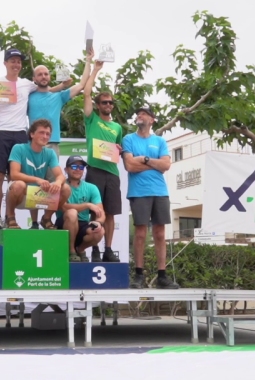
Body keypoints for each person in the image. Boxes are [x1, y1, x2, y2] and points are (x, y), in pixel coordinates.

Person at [0, 49, 68, 232]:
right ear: (5, 63)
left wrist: (62, 87)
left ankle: (20, 219)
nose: (16, 64)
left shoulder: (27, 84)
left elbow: (46, 90)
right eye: (12, 61)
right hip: (0, 132)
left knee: (20, 178)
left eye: (18, 61)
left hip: (20, 133)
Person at [122, 105, 180, 289]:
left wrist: (145, 159)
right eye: (138, 113)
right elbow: (130, 166)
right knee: (140, 233)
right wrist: (156, 164)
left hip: (160, 191)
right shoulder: (129, 139)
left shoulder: (160, 141)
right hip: (139, 191)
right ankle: (139, 275)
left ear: (152, 120)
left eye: (144, 114)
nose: (139, 115)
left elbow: (166, 165)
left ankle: (162, 276)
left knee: (160, 233)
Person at [83, 60, 123, 262]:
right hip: (95, 170)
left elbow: (118, 147)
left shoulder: (117, 127)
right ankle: (95, 249)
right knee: (95, 211)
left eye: (110, 102)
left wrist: (119, 150)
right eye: (104, 102)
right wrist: (96, 69)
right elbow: (86, 93)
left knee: (110, 213)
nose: (108, 105)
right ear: (98, 105)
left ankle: (108, 249)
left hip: (112, 173)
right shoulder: (91, 119)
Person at [4, 119, 71, 229]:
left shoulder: (50, 153)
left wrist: (58, 183)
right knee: (19, 184)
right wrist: (37, 180)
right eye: (41, 133)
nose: (45, 136)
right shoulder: (18, 148)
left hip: (39, 195)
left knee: (66, 188)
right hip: (22, 194)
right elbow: (14, 174)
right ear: (32, 134)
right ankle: (10, 217)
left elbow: (60, 175)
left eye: (48, 134)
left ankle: (46, 219)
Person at [28, 48, 93, 156]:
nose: (43, 76)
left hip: (52, 144)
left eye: (46, 74)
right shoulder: (28, 96)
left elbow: (82, 84)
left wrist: (88, 60)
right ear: (34, 79)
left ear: (49, 76)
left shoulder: (58, 96)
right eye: (40, 74)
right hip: (32, 144)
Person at [55, 156, 106, 262]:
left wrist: (99, 222)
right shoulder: (61, 186)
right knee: (72, 213)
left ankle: (80, 249)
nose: (78, 169)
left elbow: (100, 212)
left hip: (83, 224)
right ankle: (71, 250)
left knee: (100, 231)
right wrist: (87, 205)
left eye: (81, 167)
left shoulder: (91, 187)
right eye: (74, 166)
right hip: (64, 223)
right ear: (66, 169)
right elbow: (64, 207)